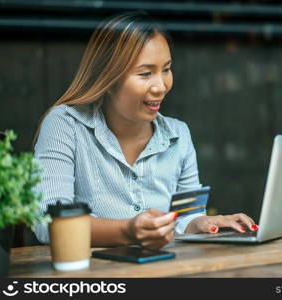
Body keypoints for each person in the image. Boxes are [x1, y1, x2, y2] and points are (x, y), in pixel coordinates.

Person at [33, 11, 258, 250]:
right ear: (108, 79)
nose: (161, 86)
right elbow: (47, 222)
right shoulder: (65, 125)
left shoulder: (178, 135)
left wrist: (202, 223)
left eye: (166, 69)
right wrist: (128, 231)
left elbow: (183, 218)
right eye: (145, 73)